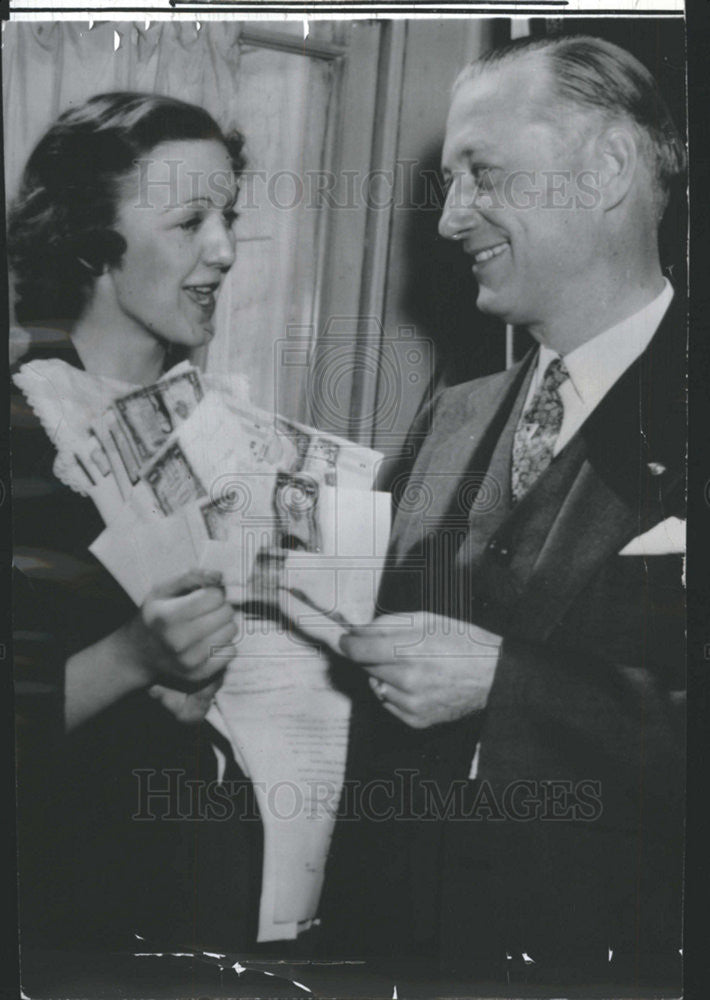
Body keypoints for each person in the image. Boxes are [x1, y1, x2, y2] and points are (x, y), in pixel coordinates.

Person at [319, 34, 686, 988]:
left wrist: (508, 690)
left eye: (482, 174)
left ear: (605, 169)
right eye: (449, 182)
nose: (449, 221)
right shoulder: (454, 415)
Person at [10, 93, 263, 951]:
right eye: (190, 220)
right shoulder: (21, 433)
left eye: (228, 216)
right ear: (92, 243)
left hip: (206, 900)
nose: (225, 250)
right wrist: (130, 659)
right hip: (63, 922)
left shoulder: (227, 428)